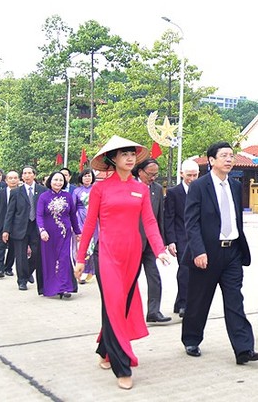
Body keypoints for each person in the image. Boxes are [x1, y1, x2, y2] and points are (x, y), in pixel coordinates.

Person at [74, 135, 171, 390]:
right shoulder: (100, 189)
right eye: (123, 154)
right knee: (114, 304)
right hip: (107, 254)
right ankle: (122, 364)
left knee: (121, 306)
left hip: (133, 256)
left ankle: (104, 348)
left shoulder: (141, 189)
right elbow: (89, 225)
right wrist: (80, 258)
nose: (129, 158)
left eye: (131, 154)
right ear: (113, 159)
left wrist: (159, 249)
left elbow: (149, 222)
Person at [181, 142, 258, 365]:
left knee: (235, 301)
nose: (229, 159)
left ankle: (244, 349)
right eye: (224, 156)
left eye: (231, 155)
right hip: (207, 254)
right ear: (211, 160)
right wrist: (198, 251)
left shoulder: (236, 186)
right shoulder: (199, 186)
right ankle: (191, 338)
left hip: (232, 253)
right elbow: (191, 223)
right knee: (199, 301)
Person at [133, 158, 171, 323]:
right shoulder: (130, 187)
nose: (154, 178)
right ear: (140, 171)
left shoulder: (156, 189)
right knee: (130, 279)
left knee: (154, 276)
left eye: (156, 174)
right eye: (151, 174)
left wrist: (161, 243)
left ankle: (153, 311)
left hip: (151, 243)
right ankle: (126, 313)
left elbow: (159, 218)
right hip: (132, 242)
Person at [164, 158, 200, 318]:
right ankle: (184, 304)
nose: (192, 179)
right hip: (181, 237)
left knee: (196, 271)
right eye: (189, 175)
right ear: (181, 174)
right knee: (185, 270)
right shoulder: (173, 193)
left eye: (195, 175)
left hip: (198, 237)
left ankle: (180, 302)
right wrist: (170, 241)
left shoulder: (201, 190)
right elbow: (169, 217)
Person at [37, 171, 82, 299]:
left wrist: (78, 232)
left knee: (64, 259)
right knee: (50, 260)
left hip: (65, 234)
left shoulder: (67, 196)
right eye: (55, 180)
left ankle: (65, 288)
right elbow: (39, 215)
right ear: (50, 181)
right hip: (48, 235)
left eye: (61, 180)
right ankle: (52, 288)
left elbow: (72, 215)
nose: (58, 183)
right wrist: (42, 230)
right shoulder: (43, 197)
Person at [4, 166, 47, 293]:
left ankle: (28, 272)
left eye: (29, 173)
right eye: (24, 173)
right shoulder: (16, 192)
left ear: (34, 175)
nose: (27, 175)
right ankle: (22, 281)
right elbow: (10, 213)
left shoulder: (42, 190)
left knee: (36, 253)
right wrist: (6, 230)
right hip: (20, 227)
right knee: (21, 256)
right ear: (22, 176)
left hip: (36, 227)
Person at [0, 170, 20, 277]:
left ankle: (8, 268)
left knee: (12, 248)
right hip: (1, 224)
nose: (13, 180)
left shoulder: (22, 193)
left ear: (18, 180)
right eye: (10, 178)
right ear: (6, 180)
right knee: (1, 246)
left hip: (16, 225)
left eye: (15, 178)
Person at [72, 168, 97, 284]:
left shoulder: (97, 189)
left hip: (94, 220)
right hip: (80, 219)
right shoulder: (76, 191)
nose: (87, 178)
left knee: (92, 246)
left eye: (89, 176)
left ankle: (90, 271)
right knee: (81, 244)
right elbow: (73, 207)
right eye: (85, 176)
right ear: (81, 178)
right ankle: (79, 271)